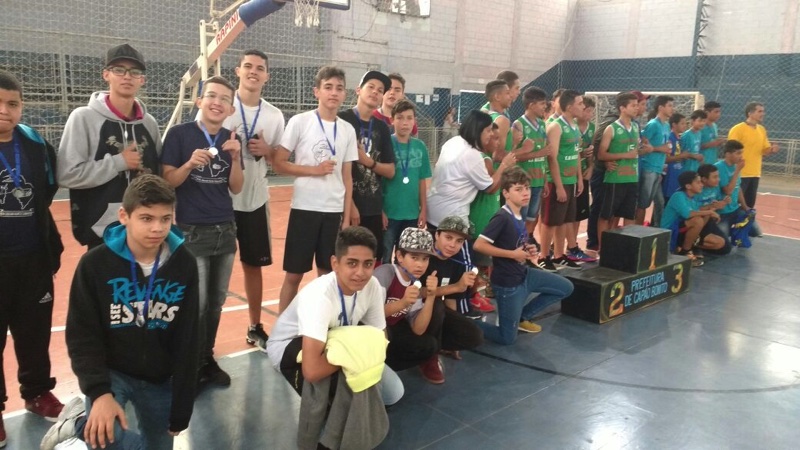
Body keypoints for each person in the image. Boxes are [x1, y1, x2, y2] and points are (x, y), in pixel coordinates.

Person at [41, 174, 200, 450]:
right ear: (124, 216)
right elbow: (82, 336)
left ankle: (80, 422)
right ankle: (78, 423)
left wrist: (183, 405)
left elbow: (189, 337)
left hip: (159, 377)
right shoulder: (95, 265)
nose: (157, 228)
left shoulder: (183, 263)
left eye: (165, 218)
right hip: (112, 371)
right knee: (103, 438)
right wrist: (99, 392)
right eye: (146, 218)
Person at [161, 75, 243, 388]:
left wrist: (236, 158)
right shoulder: (180, 135)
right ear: (199, 101)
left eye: (224, 99)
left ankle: (206, 357)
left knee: (216, 302)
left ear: (231, 108)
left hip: (225, 229)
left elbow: (236, 187)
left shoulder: (231, 138)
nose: (217, 102)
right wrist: (188, 166)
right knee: (195, 304)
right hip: (191, 230)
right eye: (211, 96)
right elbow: (167, 181)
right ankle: (189, 363)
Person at [266, 226, 403, 405]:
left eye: (368, 264)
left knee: (393, 393)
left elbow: (381, 337)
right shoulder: (319, 296)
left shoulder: (373, 286)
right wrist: (355, 356)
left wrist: (358, 355)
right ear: (335, 263)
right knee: (346, 397)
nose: (360, 272)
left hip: (337, 341)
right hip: (291, 345)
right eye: (352, 263)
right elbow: (312, 371)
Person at [0, 70, 65, 447]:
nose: (4, 111)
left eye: (12, 104)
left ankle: (37, 391)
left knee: (35, 333)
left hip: (33, 258)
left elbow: (48, 187)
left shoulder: (35, 143)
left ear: (22, 107)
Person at [212, 49, 285, 351]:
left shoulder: (274, 115)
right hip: (219, 201)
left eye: (259, 68)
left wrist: (267, 151)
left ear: (267, 76)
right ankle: (202, 334)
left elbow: (280, 161)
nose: (253, 71)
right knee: (214, 269)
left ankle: (254, 326)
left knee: (253, 265)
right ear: (238, 71)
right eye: (248, 66)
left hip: (254, 200)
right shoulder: (221, 107)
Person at [58, 43, 162, 249]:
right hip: (102, 231)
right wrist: (118, 163)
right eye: (119, 70)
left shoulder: (149, 123)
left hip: (145, 227)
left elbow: (159, 173)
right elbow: (67, 175)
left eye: (134, 72)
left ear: (142, 79)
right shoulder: (83, 117)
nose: (127, 76)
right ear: (106, 74)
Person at [272, 66, 357, 312]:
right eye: (328, 87)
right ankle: (283, 329)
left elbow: (347, 177)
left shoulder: (347, 129)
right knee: (294, 275)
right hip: (305, 208)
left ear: (344, 94)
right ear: (316, 91)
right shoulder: (300, 122)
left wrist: (346, 218)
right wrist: (314, 170)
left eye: (339, 88)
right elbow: (279, 163)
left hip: (333, 212)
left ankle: (324, 324)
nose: (334, 92)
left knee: (327, 275)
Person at [473, 167, 574, 345]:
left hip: (524, 274)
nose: (526, 193)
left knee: (565, 287)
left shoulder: (519, 214)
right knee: (506, 338)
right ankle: (466, 324)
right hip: (508, 284)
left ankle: (521, 317)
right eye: (518, 189)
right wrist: (512, 254)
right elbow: (479, 245)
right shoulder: (502, 217)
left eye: (527, 188)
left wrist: (528, 249)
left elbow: (515, 242)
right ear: (506, 193)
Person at [375, 227, 483, 384]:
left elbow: (418, 329)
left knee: (429, 346)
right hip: (373, 332)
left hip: (393, 328)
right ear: (399, 256)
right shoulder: (386, 273)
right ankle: (379, 368)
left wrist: (431, 295)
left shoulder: (415, 283)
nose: (420, 264)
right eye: (414, 257)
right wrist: (403, 303)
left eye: (425, 259)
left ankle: (392, 367)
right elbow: (370, 316)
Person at [339, 71, 396, 261]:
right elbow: (336, 171)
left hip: (373, 208)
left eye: (380, 90)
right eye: (370, 87)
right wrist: (350, 206)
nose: (375, 92)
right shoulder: (342, 120)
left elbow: (390, 171)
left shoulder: (382, 128)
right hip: (346, 207)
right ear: (358, 90)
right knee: (346, 259)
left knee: (371, 259)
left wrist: (367, 161)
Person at [426, 110, 516, 231]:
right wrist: (504, 165)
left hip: (433, 211)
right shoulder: (472, 154)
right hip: (451, 217)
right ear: (478, 130)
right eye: (488, 130)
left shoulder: (454, 141)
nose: (490, 135)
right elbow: (490, 188)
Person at [538, 89, 584, 271]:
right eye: (580, 103)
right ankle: (543, 256)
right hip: (557, 181)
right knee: (550, 221)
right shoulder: (556, 126)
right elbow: (552, 158)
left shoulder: (574, 125)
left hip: (570, 180)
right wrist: (558, 186)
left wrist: (579, 178)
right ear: (570, 106)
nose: (583, 106)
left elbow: (576, 153)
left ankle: (559, 255)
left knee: (565, 220)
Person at [381, 99, 432, 263]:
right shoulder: (386, 143)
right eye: (400, 118)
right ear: (392, 120)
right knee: (385, 255)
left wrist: (423, 209)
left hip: (412, 213)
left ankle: (401, 281)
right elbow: (378, 180)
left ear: (414, 121)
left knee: (406, 257)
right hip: (389, 213)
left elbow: (422, 180)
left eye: (409, 118)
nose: (405, 122)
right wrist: (381, 210)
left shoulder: (420, 146)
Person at [596, 92, 641, 252]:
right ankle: (603, 249)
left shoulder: (635, 127)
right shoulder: (612, 128)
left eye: (637, 105)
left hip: (632, 178)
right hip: (615, 179)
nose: (636, 108)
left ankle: (626, 249)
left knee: (629, 215)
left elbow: (635, 151)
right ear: (622, 108)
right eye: (633, 105)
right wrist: (625, 155)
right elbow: (601, 154)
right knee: (606, 215)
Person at [727, 102, 779, 237]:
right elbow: (731, 149)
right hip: (741, 173)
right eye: (759, 111)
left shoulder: (761, 129)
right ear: (750, 113)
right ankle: (728, 229)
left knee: (749, 203)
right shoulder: (738, 129)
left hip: (755, 173)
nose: (763, 114)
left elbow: (764, 150)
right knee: (736, 203)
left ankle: (744, 230)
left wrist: (771, 150)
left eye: (763, 111)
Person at [660, 171, 726, 266]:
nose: (701, 185)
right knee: (697, 220)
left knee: (720, 243)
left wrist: (713, 207)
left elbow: (699, 209)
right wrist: (710, 212)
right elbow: (688, 214)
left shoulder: (692, 197)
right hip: (670, 231)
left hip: (683, 229)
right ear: (688, 186)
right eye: (698, 182)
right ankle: (685, 251)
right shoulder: (678, 196)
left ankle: (690, 245)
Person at [512, 87, 550, 249]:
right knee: (520, 217)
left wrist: (545, 180)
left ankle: (526, 245)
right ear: (531, 104)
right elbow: (514, 156)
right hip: (524, 182)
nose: (545, 107)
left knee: (532, 217)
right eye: (542, 104)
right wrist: (538, 153)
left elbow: (544, 156)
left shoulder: (542, 124)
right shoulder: (518, 125)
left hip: (539, 181)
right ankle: (517, 247)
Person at [636, 95, 674, 226]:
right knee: (643, 203)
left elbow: (665, 145)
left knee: (660, 202)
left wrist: (666, 149)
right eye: (669, 106)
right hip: (649, 167)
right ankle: (637, 231)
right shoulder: (653, 125)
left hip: (658, 168)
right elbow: (643, 145)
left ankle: (658, 229)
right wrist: (660, 148)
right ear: (661, 107)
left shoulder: (667, 125)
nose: (672, 109)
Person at [567, 96, 597, 262]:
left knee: (579, 213)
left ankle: (572, 245)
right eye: (586, 110)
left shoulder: (592, 128)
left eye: (591, 111)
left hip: (584, 174)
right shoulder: (571, 126)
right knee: (568, 213)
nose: (589, 114)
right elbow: (574, 151)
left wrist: (591, 167)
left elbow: (591, 150)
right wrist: (581, 154)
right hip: (571, 173)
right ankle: (566, 246)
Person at [714, 140, 752, 238]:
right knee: (723, 240)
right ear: (728, 154)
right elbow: (728, 191)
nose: (741, 156)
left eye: (741, 153)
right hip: (723, 211)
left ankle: (734, 232)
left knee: (753, 231)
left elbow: (737, 188)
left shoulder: (735, 167)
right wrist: (737, 170)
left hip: (735, 209)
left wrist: (745, 206)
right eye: (738, 153)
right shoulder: (719, 167)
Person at [662, 113, 689, 203]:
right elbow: (665, 159)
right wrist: (682, 156)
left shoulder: (679, 139)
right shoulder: (670, 138)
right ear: (674, 124)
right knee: (668, 201)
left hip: (677, 174)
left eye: (685, 123)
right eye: (682, 123)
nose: (685, 126)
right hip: (670, 176)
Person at [700, 101, 725, 165]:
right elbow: (696, 146)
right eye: (716, 112)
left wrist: (720, 142)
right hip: (702, 163)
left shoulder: (714, 125)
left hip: (713, 162)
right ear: (707, 113)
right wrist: (712, 144)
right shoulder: (700, 127)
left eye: (719, 112)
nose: (718, 114)